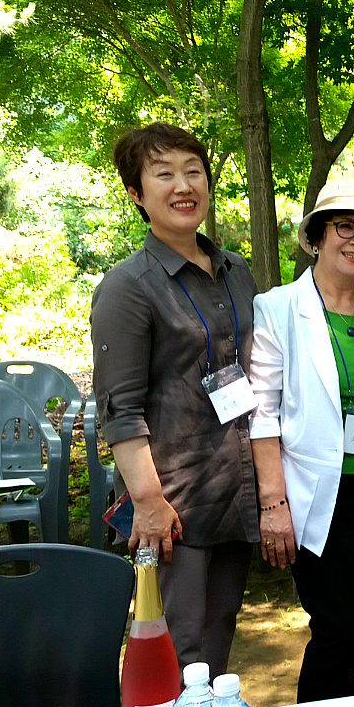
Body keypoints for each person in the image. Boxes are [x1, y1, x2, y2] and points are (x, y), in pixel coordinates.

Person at [91, 122, 259, 678]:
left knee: (218, 638)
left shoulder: (236, 271)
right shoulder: (129, 286)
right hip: (172, 506)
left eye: (193, 171)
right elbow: (119, 409)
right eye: (163, 174)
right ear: (137, 194)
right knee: (176, 651)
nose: (183, 185)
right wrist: (147, 502)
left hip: (232, 490)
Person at [247, 178, 354, 701]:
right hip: (319, 494)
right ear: (318, 235)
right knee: (341, 631)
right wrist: (273, 503)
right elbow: (262, 413)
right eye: (345, 226)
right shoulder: (278, 308)